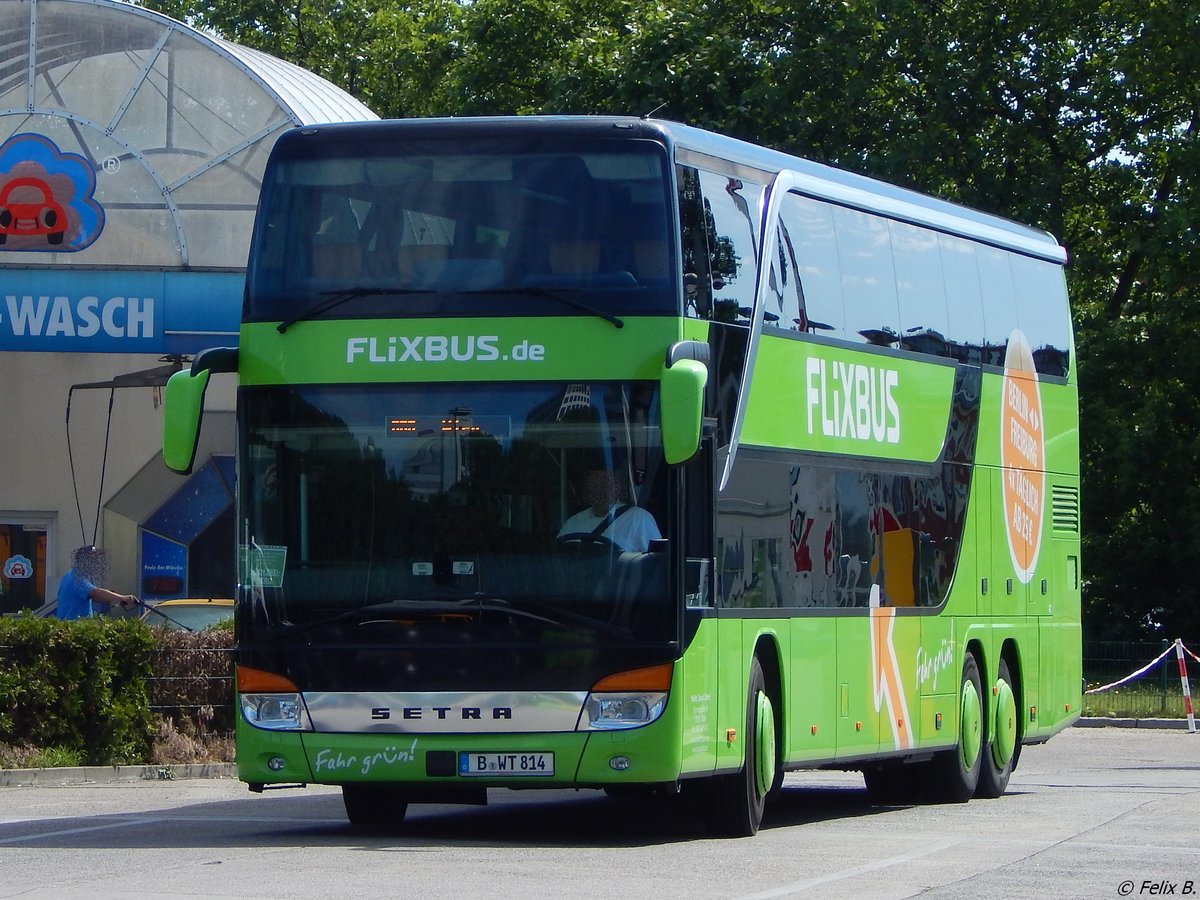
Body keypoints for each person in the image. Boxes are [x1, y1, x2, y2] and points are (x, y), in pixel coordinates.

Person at [557, 469, 662, 552]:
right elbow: (558, 561)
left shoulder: (639, 518)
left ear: (618, 488)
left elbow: (655, 563)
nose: (601, 490)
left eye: (606, 483)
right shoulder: (573, 522)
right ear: (588, 489)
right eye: (595, 484)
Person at [55, 546, 138, 620]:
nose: (95, 563)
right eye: (92, 560)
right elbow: (95, 593)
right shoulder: (77, 578)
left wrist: (112, 597)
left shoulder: (70, 575)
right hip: (72, 630)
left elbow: (95, 596)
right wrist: (123, 598)